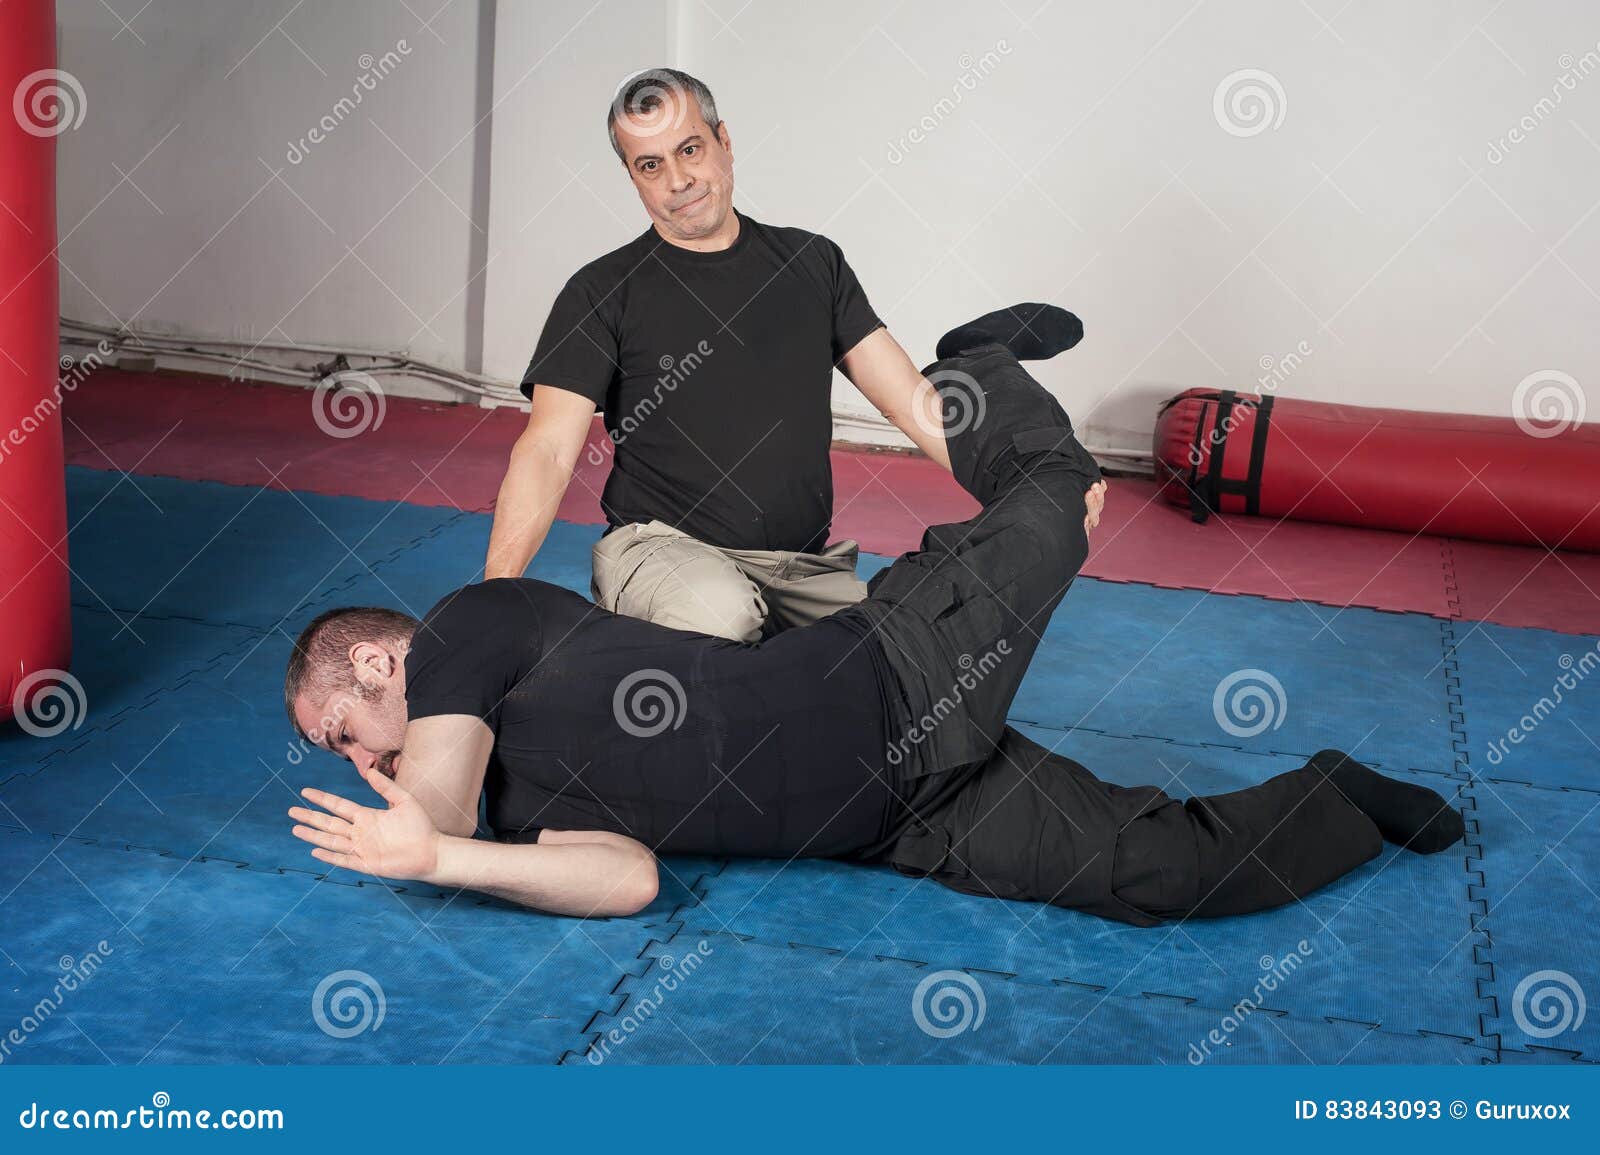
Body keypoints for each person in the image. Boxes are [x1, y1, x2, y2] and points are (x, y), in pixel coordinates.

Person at [285, 305, 1465, 924]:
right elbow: (631, 879)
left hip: (897, 667)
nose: (350, 760)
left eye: (340, 726)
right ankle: (1336, 798)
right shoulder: (498, 813)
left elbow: (429, 785)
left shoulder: (466, 632)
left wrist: (429, 832)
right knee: (1166, 879)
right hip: (902, 820)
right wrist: (456, 857)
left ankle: (979, 361)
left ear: (385, 659)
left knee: (1060, 498)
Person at [484, 67, 969, 641]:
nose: (678, 179)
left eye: (689, 149)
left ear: (725, 143)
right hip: (665, 556)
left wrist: (1026, 479)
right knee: (726, 615)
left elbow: (908, 401)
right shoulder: (600, 291)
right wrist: (494, 598)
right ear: (632, 178)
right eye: (650, 164)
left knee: (908, 658)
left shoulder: (814, 263)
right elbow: (547, 451)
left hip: (802, 569)